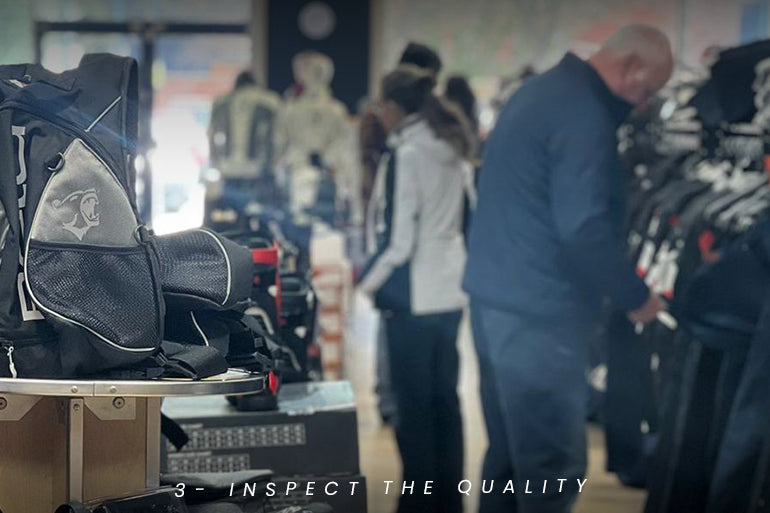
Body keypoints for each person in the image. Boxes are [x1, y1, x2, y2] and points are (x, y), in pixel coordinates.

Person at [463, 25, 674, 513]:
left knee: (511, 462)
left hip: (497, 303)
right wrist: (635, 297)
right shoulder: (585, 116)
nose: (644, 103)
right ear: (630, 67)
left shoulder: (538, 93)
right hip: (540, 317)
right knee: (551, 469)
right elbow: (583, 231)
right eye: (647, 90)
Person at [358, 64, 474, 513]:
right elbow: (468, 217)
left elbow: (398, 240)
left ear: (391, 107)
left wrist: (365, 284)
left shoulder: (407, 153)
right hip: (451, 289)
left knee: (414, 410)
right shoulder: (451, 143)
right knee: (447, 400)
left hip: (413, 294)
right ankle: (448, 503)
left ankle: (418, 504)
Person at [358, 42, 443, 426]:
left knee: (395, 332)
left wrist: (368, 281)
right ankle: (392, 401)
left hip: (404, 253)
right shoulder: (437, 135)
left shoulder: (410, 143)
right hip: (424, 258)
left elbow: (398, 233)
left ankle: (390, 400)